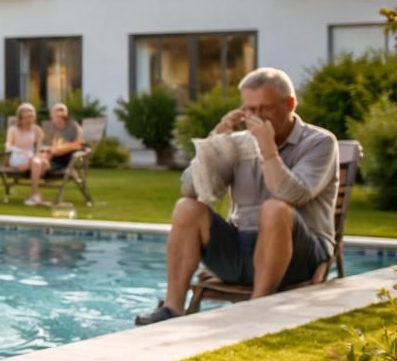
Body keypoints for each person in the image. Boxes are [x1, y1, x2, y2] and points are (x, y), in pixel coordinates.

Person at [134, 67, 338, 325]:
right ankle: (173, 308)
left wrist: (267, 149)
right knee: (186, 207)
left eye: (265, 109)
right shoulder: (240, 141)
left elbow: (293, 195)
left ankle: (257, 308)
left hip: (300, 256)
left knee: (275, 208)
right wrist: (216, 143)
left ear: (290, 104)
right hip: (242, 249)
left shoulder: (320, 142)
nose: (256, 118)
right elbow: (190, 189)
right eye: (249, 110)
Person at [6, 102, 50, 205]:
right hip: (17, 155)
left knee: (37, 162)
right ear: (20, 116)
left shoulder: (37, 130)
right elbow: (8, 147)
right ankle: (35, 196)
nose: (28, 116)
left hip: (31, 157)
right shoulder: (13, 129)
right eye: (25, 113)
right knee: (38, 163)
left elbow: (38, 149)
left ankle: (34, 196)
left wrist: (39, 157)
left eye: (30, 113)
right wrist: (23, 152)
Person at [43, 101, 84, 176]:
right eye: (57, 110)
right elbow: (45, 146)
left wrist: (58, 149)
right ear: (51, 114)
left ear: (67, 113)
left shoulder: (74, 126)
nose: (60, 113)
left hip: (66, 158)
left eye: (62, 110)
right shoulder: (48, 128)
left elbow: (77, 144)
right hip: (50, 158)